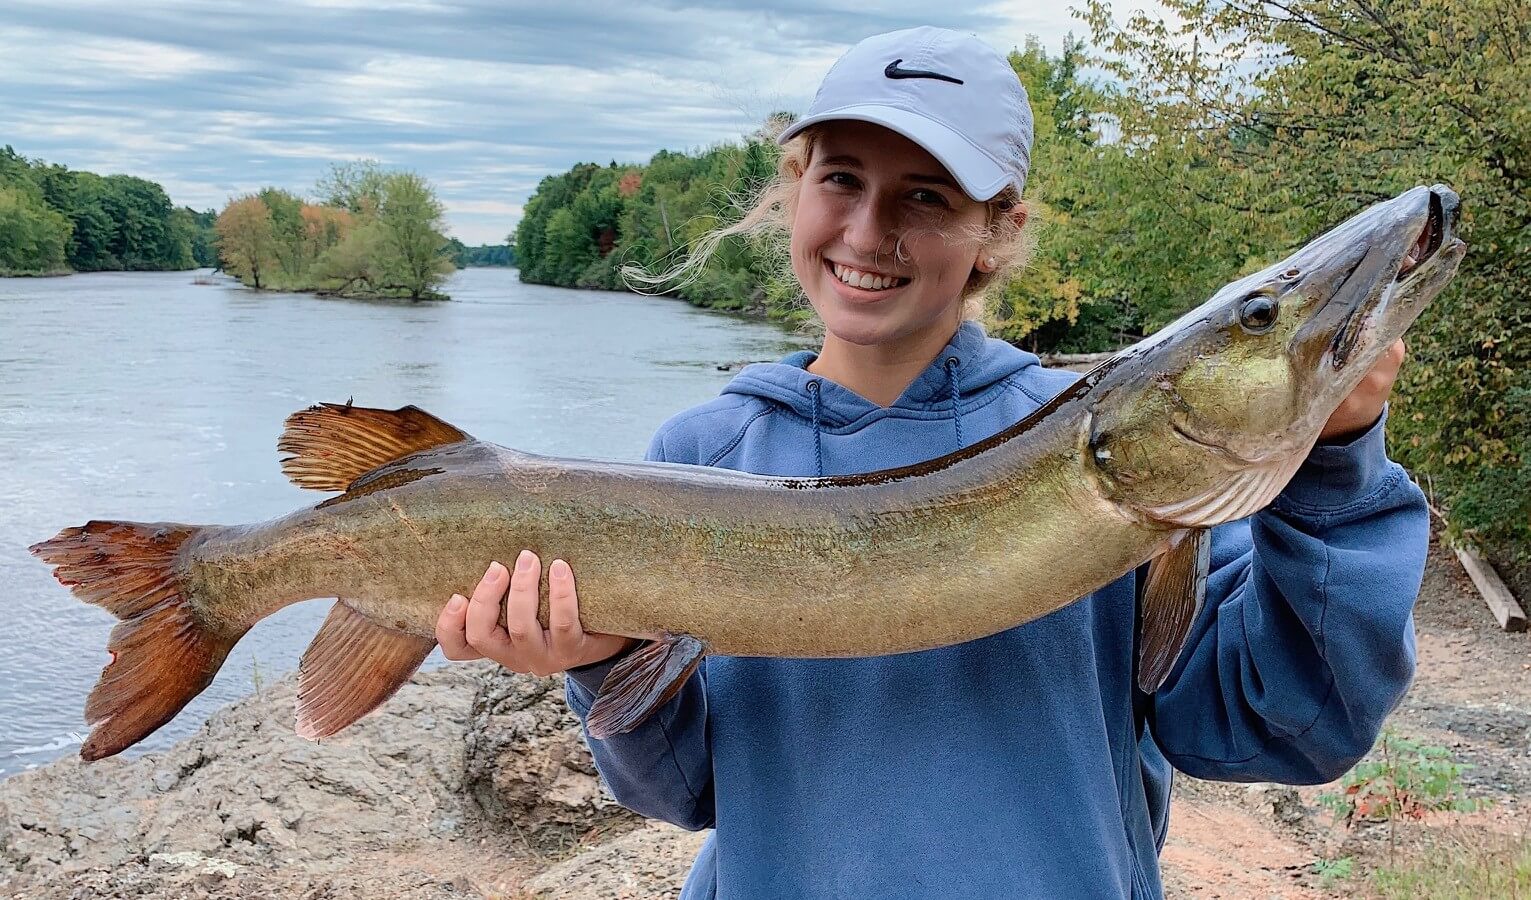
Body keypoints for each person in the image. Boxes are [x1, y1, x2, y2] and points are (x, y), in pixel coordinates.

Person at [435, 26, 1427, 899]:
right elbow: (683, 788)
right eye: (840, 180)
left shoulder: (1136, 474)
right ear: (793, 194)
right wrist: (597, 660)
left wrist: (1333, 461)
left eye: (923, 195)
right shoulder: (704, 454)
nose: (869, 231)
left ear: (999, 228)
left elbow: (1289, 726)